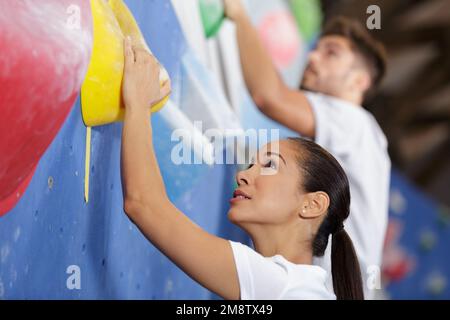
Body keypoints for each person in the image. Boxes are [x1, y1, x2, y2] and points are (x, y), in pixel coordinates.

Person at [120, 37, 363, 300]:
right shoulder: (292, 286)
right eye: (250, 165)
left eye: (270, 165)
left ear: (312, 204)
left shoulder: (283, 285)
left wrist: (138, 102)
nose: (243, 175)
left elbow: (144, 205)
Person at [223, 0, 391, 299]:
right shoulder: (366, 138)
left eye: (332, 53)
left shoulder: (353, 122)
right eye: (316, 48)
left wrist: (238, 13)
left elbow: (269, 97)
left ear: (359, 81)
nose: (312, 57)